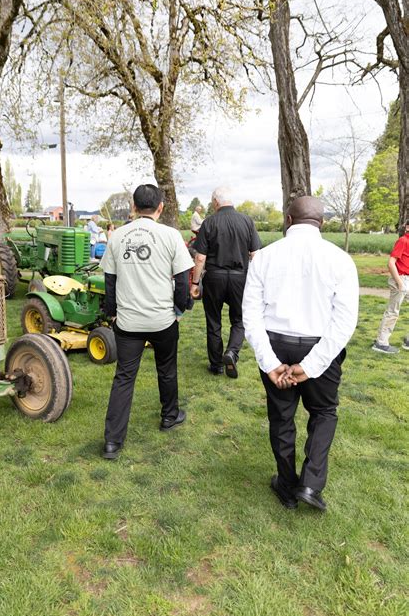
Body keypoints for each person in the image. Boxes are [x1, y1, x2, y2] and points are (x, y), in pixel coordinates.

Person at [242, 197, 359, 512]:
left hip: (278, 342)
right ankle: (309, 483)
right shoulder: (340, 259)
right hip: (320, 343)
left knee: (281, 415)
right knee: (323, 412)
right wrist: (314, 363)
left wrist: (270, 362)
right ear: (321, 223)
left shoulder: (264, 257)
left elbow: (250, 316)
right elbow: (345, 320)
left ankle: (288, 483)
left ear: (288, 219)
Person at [100, 184, 194, 459]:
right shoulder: (171, 235)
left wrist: (111, 311)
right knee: (166, 369)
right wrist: (180, 307)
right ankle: (169, 416)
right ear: (161, 207)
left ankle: (112, 442)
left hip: (128, 322)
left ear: (134, 206)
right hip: (162, 319)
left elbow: (110, 280)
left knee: (124, 378)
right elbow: (181, 280)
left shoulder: (117, 236)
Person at [190, 186, 261, 378]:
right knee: (239, 319)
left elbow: (200, 258)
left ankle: (216, 365)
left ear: (215, 202)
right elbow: (256, 255)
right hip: (240, 277)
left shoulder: (209, 222)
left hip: (214, 277)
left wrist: (195, 284)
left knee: (213, 321)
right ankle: (232, 352)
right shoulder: (247, 221)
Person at [372, 219, 409, 354]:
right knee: (393, 312)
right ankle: (381, 343)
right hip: (400, 279)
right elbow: (391, 263)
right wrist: (399, 282)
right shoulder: (403, 241)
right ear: (407, 227)